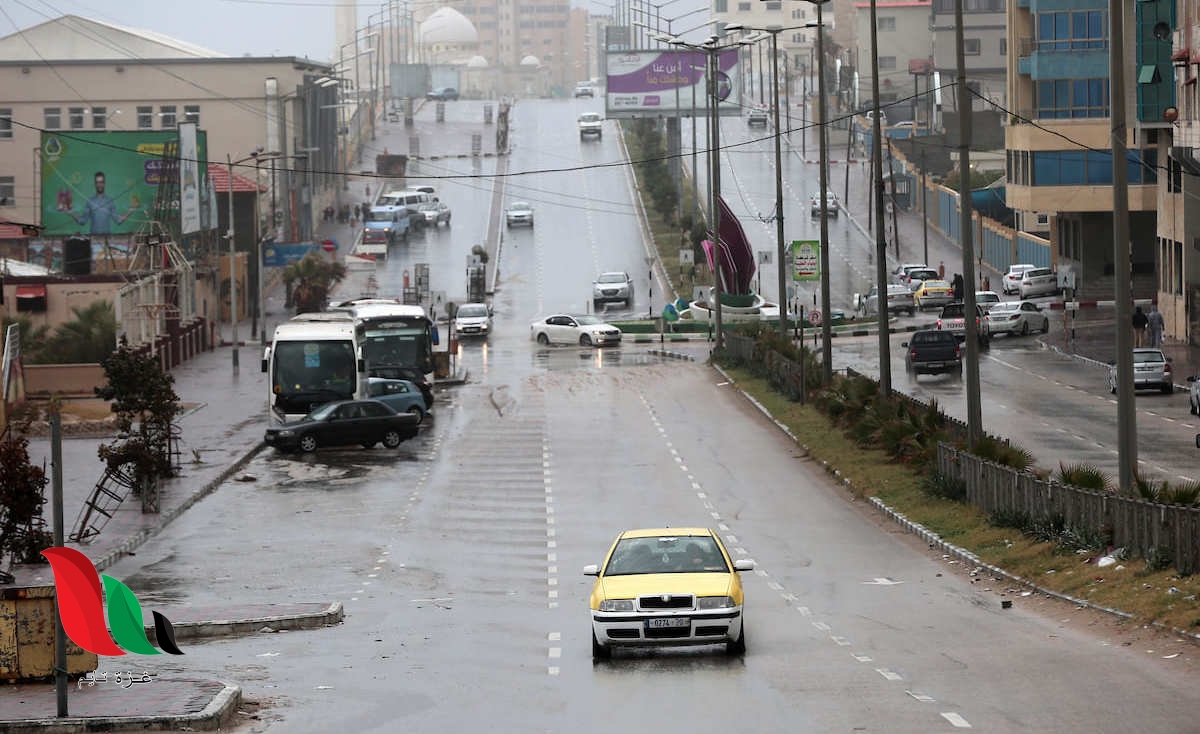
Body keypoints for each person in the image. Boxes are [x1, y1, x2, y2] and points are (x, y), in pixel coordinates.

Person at [71, 171, 136, 235]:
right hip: (94, 239)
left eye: (101, 182)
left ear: (104, 183)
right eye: (97, 182)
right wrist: (70, 211)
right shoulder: (90, 201)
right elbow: (82, 221)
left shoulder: (110, 201)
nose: (99, 184)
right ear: (95, 184)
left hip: (106, 239)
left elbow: (118, 220)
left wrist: (131, 210)